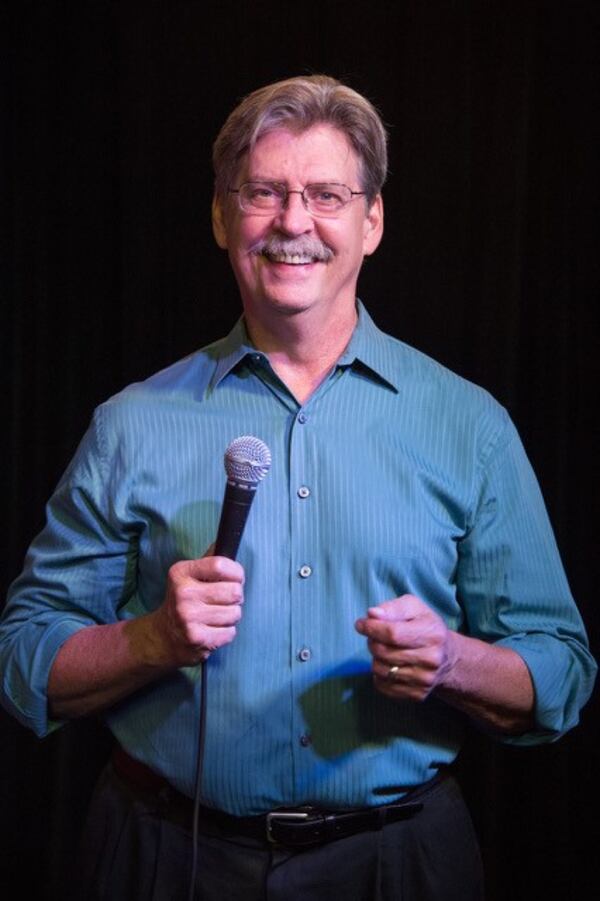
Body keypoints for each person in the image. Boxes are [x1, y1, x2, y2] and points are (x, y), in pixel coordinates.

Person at [0, 75, 596, 901]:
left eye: (326, 195)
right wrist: (152, 638)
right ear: (222, 218)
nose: (293, 222)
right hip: (168, 857)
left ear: (371, 221)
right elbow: (25, 657)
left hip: (399, 866)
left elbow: (560, 671)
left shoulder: (470, 425)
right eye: (264, 193)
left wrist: (453, 660)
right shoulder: (130, 425)